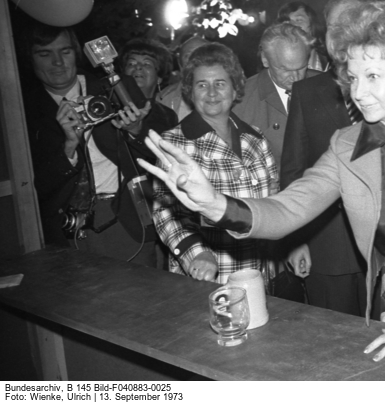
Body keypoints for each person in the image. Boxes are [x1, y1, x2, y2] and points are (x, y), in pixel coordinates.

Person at [139, 0, 385, 361]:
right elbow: (289, 208)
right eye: (352, 78)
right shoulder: (346, 145)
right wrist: (216, 204)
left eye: (372, 77)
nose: (357, 93)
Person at [20, 23, 176, 266]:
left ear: (76, 53)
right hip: (68, 229)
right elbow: (33, 187)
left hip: (125, 216)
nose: (57, 61)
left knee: (142, 296)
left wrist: (135, 130)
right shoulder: (22, 112)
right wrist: (69, 145)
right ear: (31, 59)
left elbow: (162, 156)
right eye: (44, 53)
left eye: (65, 51)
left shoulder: (116, 88)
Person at [152, 43, 279, 285]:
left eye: (220, 83)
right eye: (202, 85)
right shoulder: (174, 144)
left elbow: (274, 200)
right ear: (190, 91)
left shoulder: (256, 139)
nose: (211, 93)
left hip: (257, 271)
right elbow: (165, 212)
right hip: (207, 275)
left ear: (235, 89)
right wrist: (196, 252)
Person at [278, 0, 373, 316]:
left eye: (352, 23)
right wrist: (296, 239)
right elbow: (293, 171)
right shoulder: (307, 92)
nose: (343, 33)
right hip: (328, 248)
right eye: (335, 26)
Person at [235, 22, 320, 167]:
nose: (295, 78)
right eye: (285, 69)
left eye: (301, 68)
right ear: (265, 59)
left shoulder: (327, 86)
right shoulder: (241, 99)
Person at [156, 35, 209, 122]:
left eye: (201, 54)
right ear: (180, 63)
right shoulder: (164, 99)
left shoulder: (232, 96)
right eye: (188, 56)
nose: (194, 60)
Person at [277, 1, 329, 72]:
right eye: (286, 21)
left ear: (312, 26)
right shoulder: (276, 64)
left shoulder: (330, 62)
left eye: (298, 20)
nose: (292, 25)